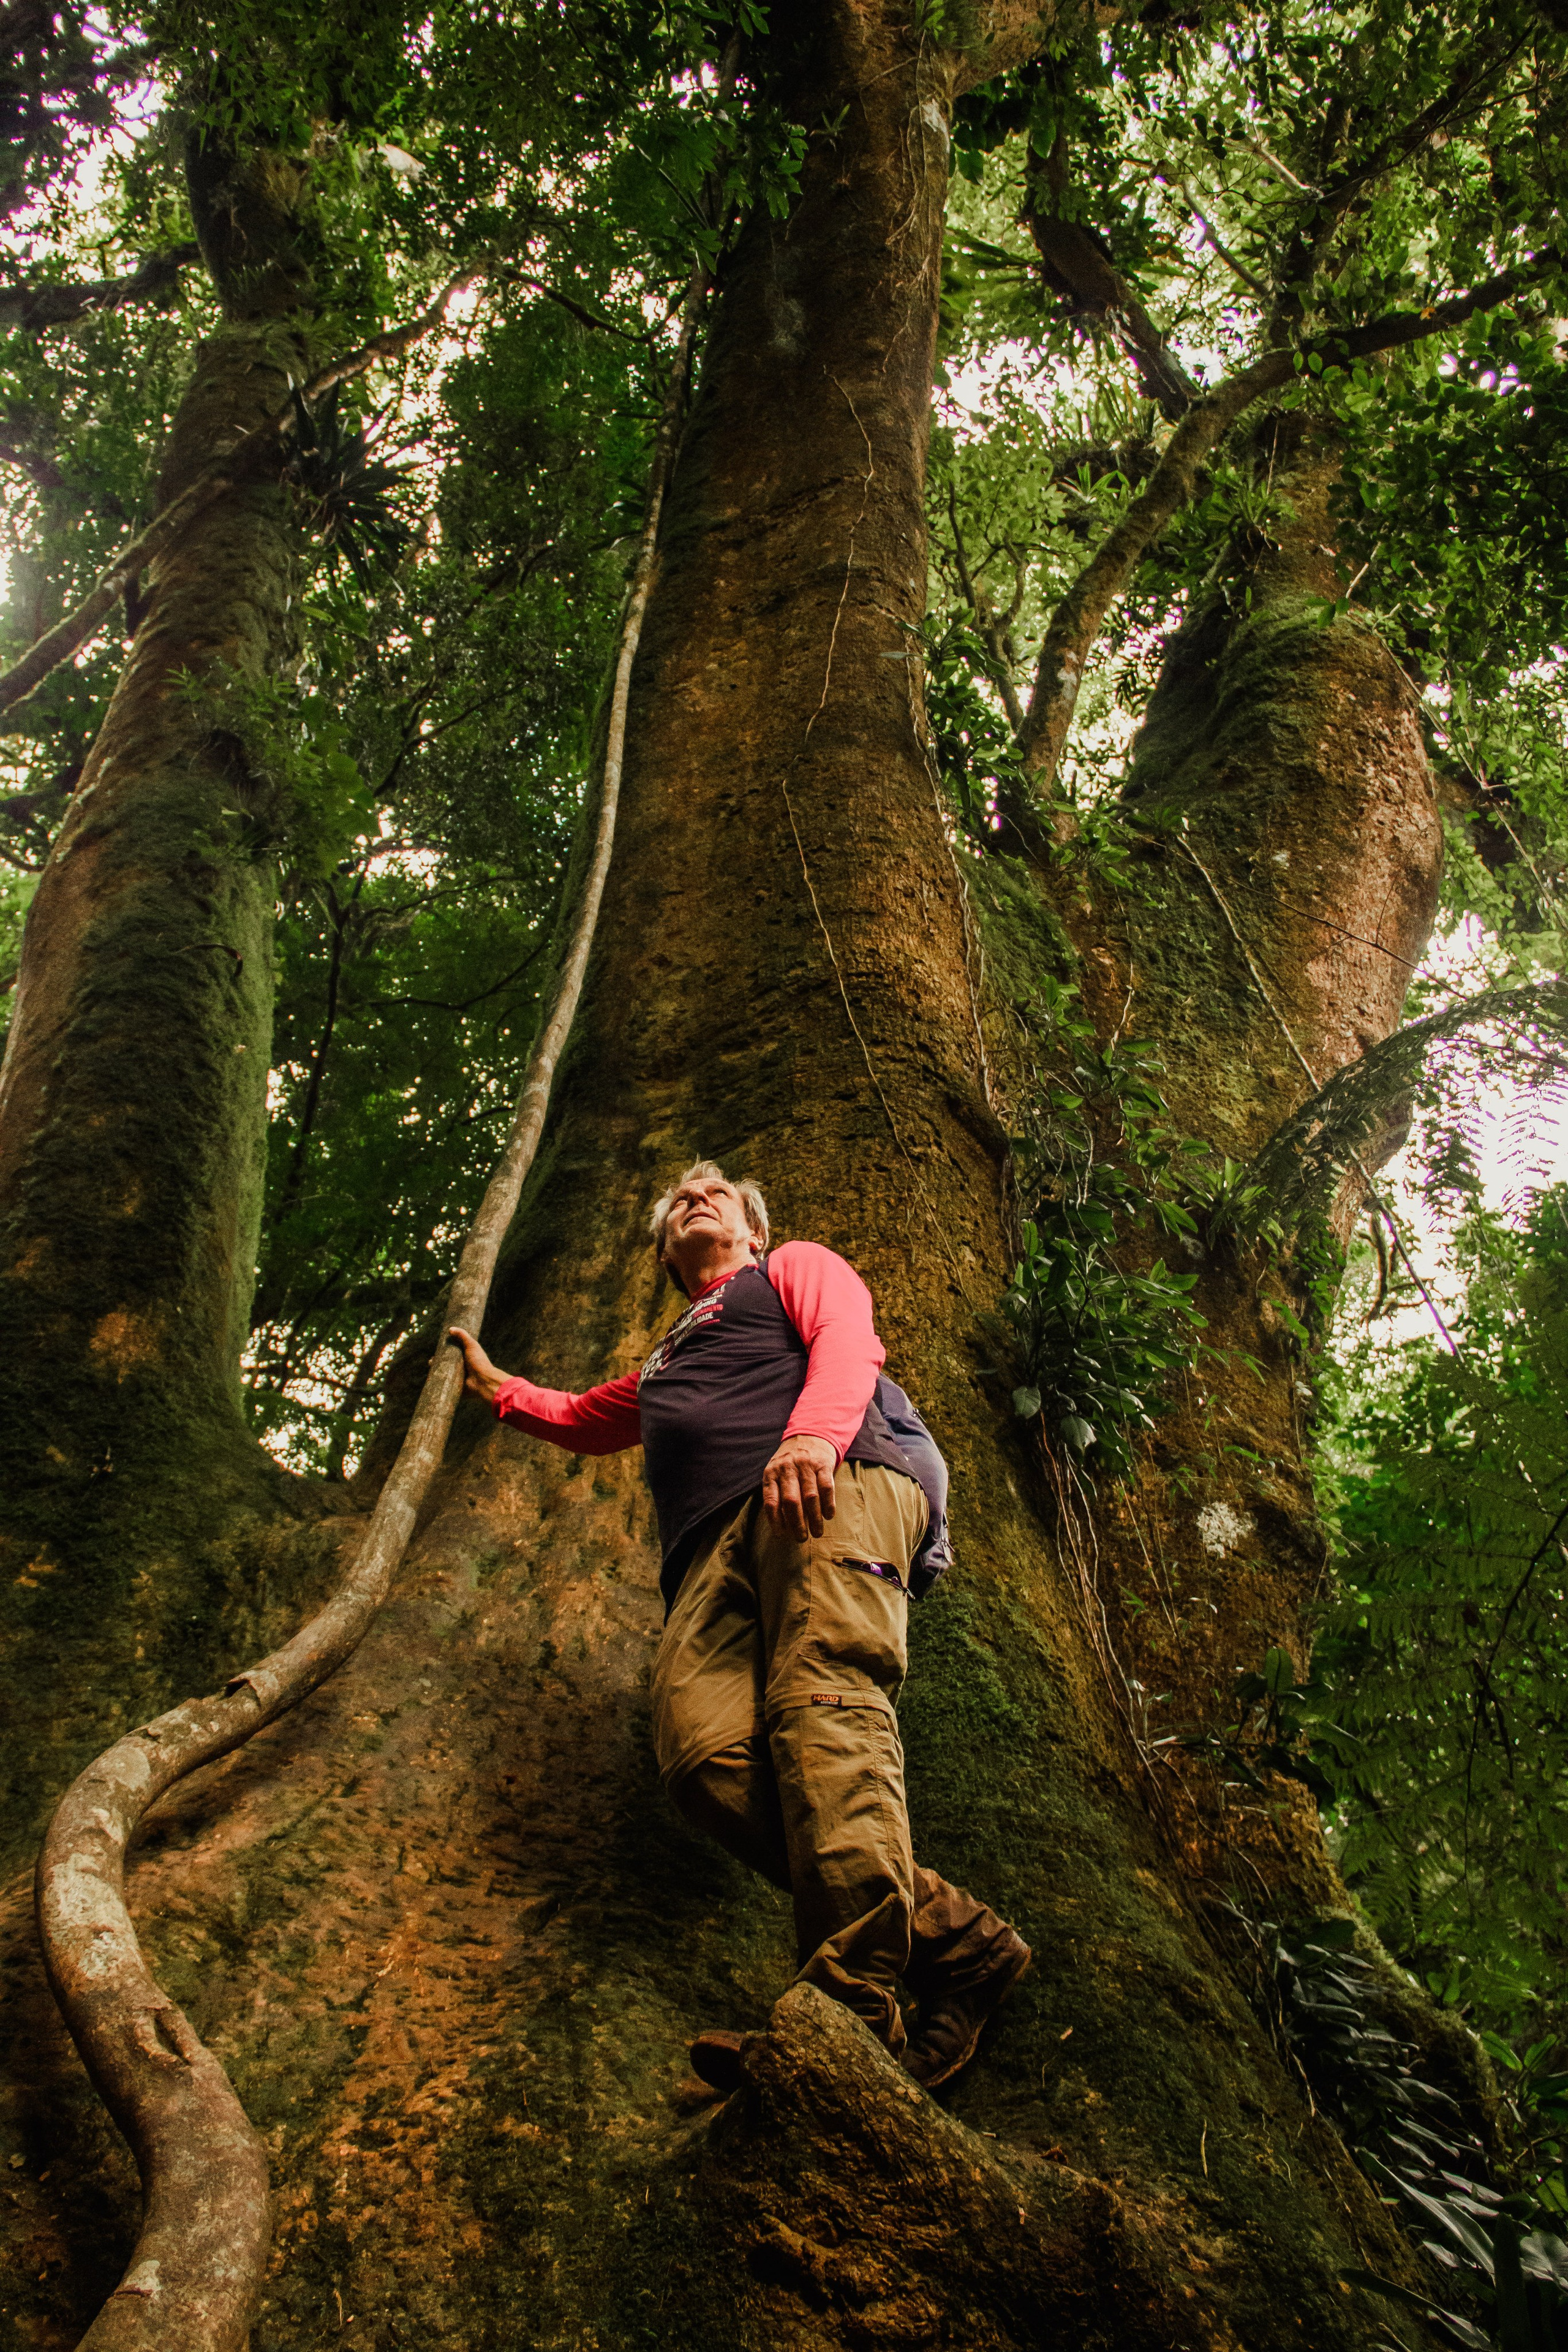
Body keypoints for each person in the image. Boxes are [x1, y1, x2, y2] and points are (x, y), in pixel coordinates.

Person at [448, 1159, 1029, 2093]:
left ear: (753, 1229)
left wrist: (812, 1437)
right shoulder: (668, 1359)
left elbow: (849, 1335)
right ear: (665, 1254)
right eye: (677, 1197)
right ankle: (955, 1942)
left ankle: (847, 2016)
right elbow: (586, 1418)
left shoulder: (787, 1269)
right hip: (708, 1554)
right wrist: (499, 1391)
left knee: (824, 1706)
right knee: (703, 1756)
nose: (693, 1199)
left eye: (714, 1194)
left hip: (832, 1484)